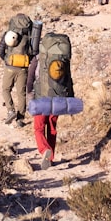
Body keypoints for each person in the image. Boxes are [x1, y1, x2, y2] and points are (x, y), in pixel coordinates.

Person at [27, 31, 74, 169]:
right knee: (52, 129)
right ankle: (51, 158)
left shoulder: (38, 59)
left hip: (41, 98)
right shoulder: (62, 60)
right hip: (58, 98)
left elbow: (30, 79)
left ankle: (44, 150)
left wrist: (29, 96)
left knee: (38, 128)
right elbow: (68, 80)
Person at [0, 13, 34, 127]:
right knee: (21, 93)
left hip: (10, 67)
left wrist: (7, 60)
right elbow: (33, 52)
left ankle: (11, 110)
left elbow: (0, 51)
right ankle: (20, 119)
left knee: (5, 89)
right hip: (23, 68)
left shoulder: (9, 34)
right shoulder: (29, 36)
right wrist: (26, 61)